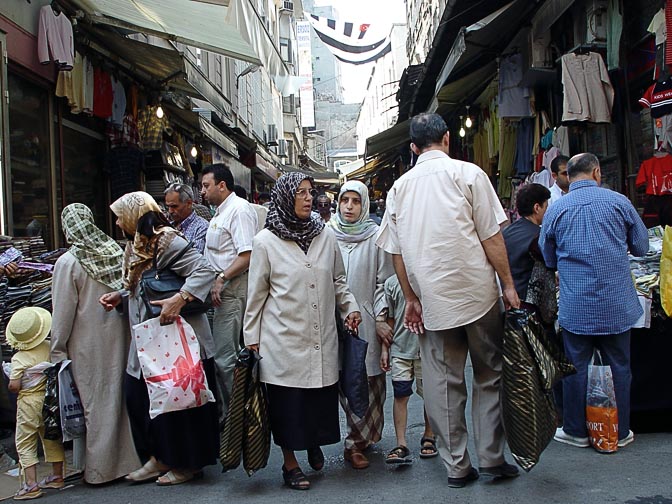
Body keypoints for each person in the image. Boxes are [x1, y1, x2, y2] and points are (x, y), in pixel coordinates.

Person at [376, 113, 520, 489]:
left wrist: (409, 298)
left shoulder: (399, 189)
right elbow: (491, 237)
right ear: (446, 139)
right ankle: (491, 457)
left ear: (412, 148)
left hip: (431, 300)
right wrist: (508, 285)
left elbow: (396, 253)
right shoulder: (470, 174)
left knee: (443, 380)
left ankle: (456, 464)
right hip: (478, 294)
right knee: (489, 373)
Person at [244, 172, 361, 490]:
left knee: (319, 400)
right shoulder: (265, 242)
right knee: (288, 404)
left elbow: (338, 281)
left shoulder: (326, 237)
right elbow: (256, 295)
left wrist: (349, 307)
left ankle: (312, 441)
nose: (309, 198)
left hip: (320, 336)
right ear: (285, 197)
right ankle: (290, 464)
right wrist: (251, 338)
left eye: (311, 192)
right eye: (301, 193)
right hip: (282, 340)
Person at [100, 191, 219, 486]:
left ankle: (187, 464)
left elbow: (203, 270)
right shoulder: (136, 247)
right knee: (139, 395)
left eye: (119, 216)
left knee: (180, 403)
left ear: (133, 216)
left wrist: (179, 299)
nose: (116, 222)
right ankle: (161, 457)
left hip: (178, 342)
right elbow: (141, 285)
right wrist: (121, 295)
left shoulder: (167, 242)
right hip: (150, 341)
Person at [539, 153, 649, 449]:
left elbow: (548, 258)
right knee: (619, 366)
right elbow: (641, 247)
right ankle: (621, 430)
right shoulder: (619, 202)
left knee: (576, 366)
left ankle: (575, 430)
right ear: (597, 173)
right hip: (616, 303)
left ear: (567, 177)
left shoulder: (555, 210)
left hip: (577, 304)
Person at [50, 203, 140, 484]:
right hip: (121, 338)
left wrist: (56, 350)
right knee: (119, 401)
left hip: (86, 344)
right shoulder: (114, 250)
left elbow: (63, 312)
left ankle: (100, 471)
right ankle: (129, 462)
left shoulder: (69, 263)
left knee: (95, 404)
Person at [328, 180, 393, 469]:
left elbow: (383, 282)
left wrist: (380, 317)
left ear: (364, 204)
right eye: (345, 201)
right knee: (345, 380)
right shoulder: (327, 235)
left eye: (356, 201)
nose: (350, 207)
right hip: (332, 321)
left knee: (369, 380)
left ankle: (362, 438)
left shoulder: (376, 236)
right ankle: (354, 442)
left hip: (366, 318)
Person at [200, 164, 258, 420]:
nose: (202, 191)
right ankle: (229, 413)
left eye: (206, 185)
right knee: (219, 356)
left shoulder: (239, 210)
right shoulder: (220, 212)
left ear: (221, 185)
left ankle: (237, 418)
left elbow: (246, 255)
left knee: (226, 358)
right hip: (218, 290)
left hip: (231, 289)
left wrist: (222, 278)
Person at [6, 307, 65, 500]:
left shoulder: (19, 358)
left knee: (25, 441)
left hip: (28, 402)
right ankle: (57, 476)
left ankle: (31, 484)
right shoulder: (48, 347)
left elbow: (14, 386)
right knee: (50, 436)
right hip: (49, 399)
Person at [380, 274, 436, 465]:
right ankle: (400, 443)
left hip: (425, 349)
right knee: (400, 395)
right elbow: (391, 319)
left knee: (429, 395)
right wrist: (385, 349)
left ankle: (429, 436)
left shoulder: (428, 276)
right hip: (400, 349)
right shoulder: (392, 283)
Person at [164, 183, 209, 253]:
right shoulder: (167, 227)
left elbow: (194, 259)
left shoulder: (201, 228)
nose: (170, 211)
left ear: (189, 203)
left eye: (174, 206)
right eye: (168, 207)